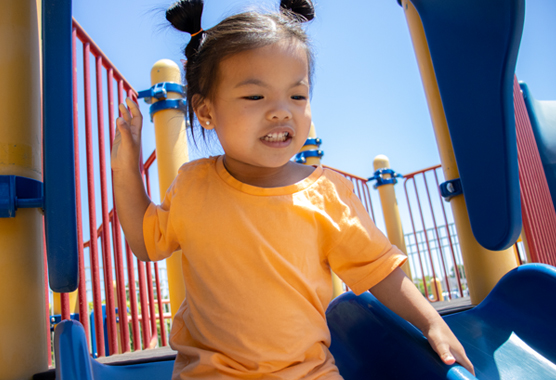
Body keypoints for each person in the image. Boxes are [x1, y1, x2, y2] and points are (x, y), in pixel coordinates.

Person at [111, 0, 474, 378]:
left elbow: (378, 268)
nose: (282, 111)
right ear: (205, 112)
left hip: (307, 372)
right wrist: (126, 167)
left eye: (297, 96)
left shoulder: (326, 193)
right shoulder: (193, 184)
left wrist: (432, 322)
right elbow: (145, 239)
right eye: (256, 96)